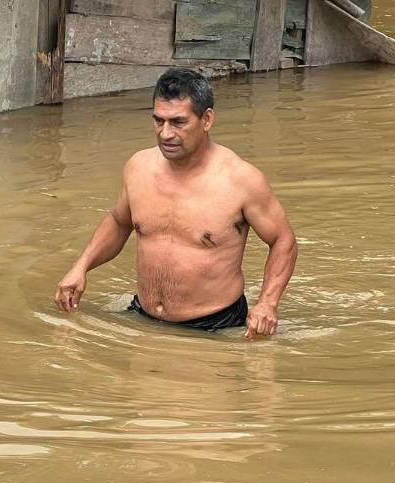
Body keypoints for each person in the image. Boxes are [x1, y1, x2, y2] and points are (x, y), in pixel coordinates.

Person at [54, 68, 297, 338]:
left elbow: (283, 240)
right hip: (143, 315)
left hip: (215, 326)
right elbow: (119, 222)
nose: (166, 134)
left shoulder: (241, 180)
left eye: (178, 122)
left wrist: (268, 303)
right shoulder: (138, 167)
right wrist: (81, 266)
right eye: (159, 121)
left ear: (207, 119)